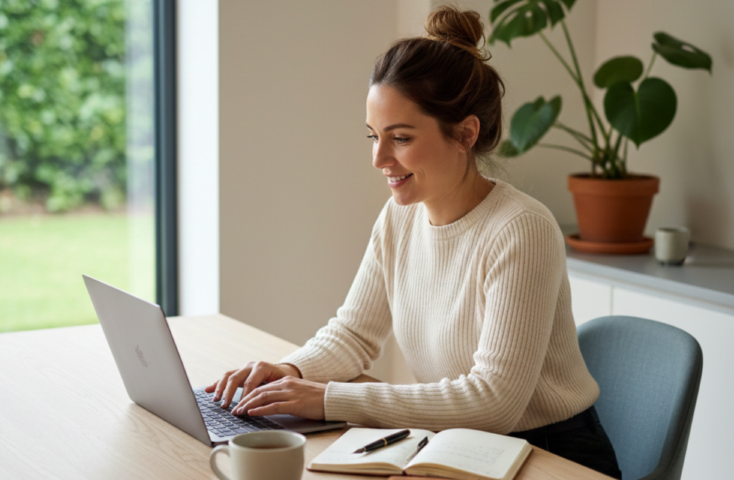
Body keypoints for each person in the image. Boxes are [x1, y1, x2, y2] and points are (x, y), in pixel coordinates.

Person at [206, 6, 621, 478]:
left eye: (400, 138)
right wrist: (292, 372)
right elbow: (354, 334)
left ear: (466, 133)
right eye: (374, 136)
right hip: (457, 441)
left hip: (550, 455)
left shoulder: (522, 228)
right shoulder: (400, 218)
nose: (379, 158)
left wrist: (328, 400)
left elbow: (495, 401)